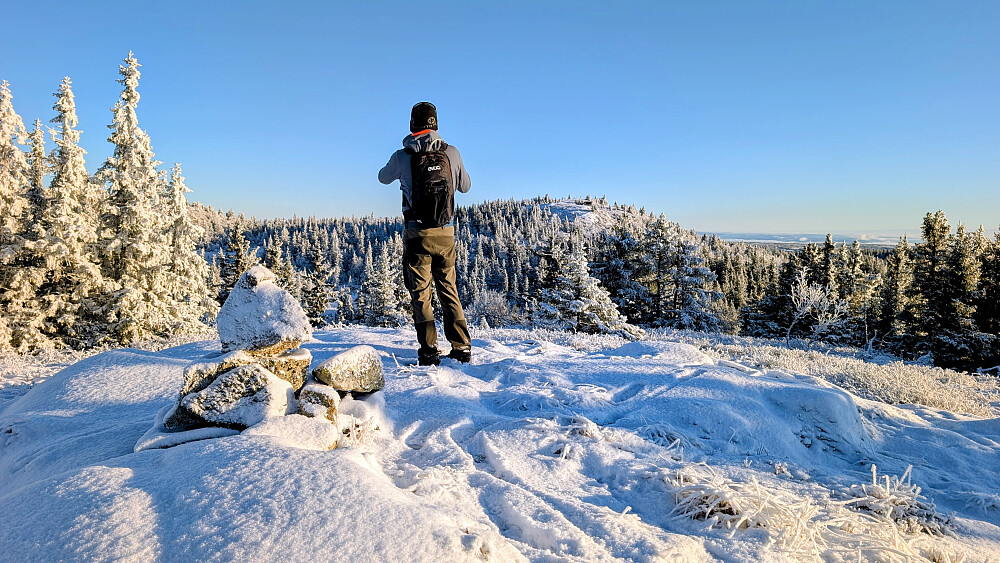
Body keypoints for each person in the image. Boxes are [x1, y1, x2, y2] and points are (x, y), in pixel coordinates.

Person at [378, 102, 472, 365]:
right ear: (436, 124)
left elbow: (382, 178)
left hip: (416, 233)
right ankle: (461, 347)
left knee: (421, 292)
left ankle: (429, 349)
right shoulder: (451, 152)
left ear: (412, 125)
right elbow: (465, 186)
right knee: (448, 288)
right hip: (445, 232)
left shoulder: (402, 156)